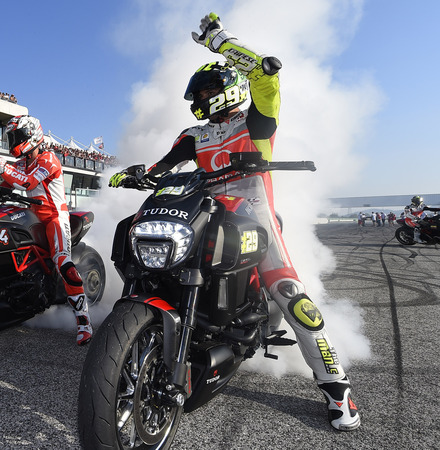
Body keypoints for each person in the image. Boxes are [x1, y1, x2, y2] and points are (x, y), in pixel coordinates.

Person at [108, 13, 359, 431]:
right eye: (198, 92)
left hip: (254, 221)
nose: (201, 98)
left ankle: (338, 388)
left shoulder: (255, 123)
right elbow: (163, 166)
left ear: (228, 88)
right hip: (203, 215)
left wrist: (220, 41)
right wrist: (136, 175)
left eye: (208, 90)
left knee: (295, 300)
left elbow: (266, 78)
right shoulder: (194, 134)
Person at [0, 115, 93, 346]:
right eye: (11, 137)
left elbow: (27, 183)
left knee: (63, 263)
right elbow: (3, 189)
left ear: (31, 136)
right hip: (33, 216)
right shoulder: (20, 164)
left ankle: (84, 322)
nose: (13, 141)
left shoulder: (50, 159)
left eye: (16, 136)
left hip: (55, 217)